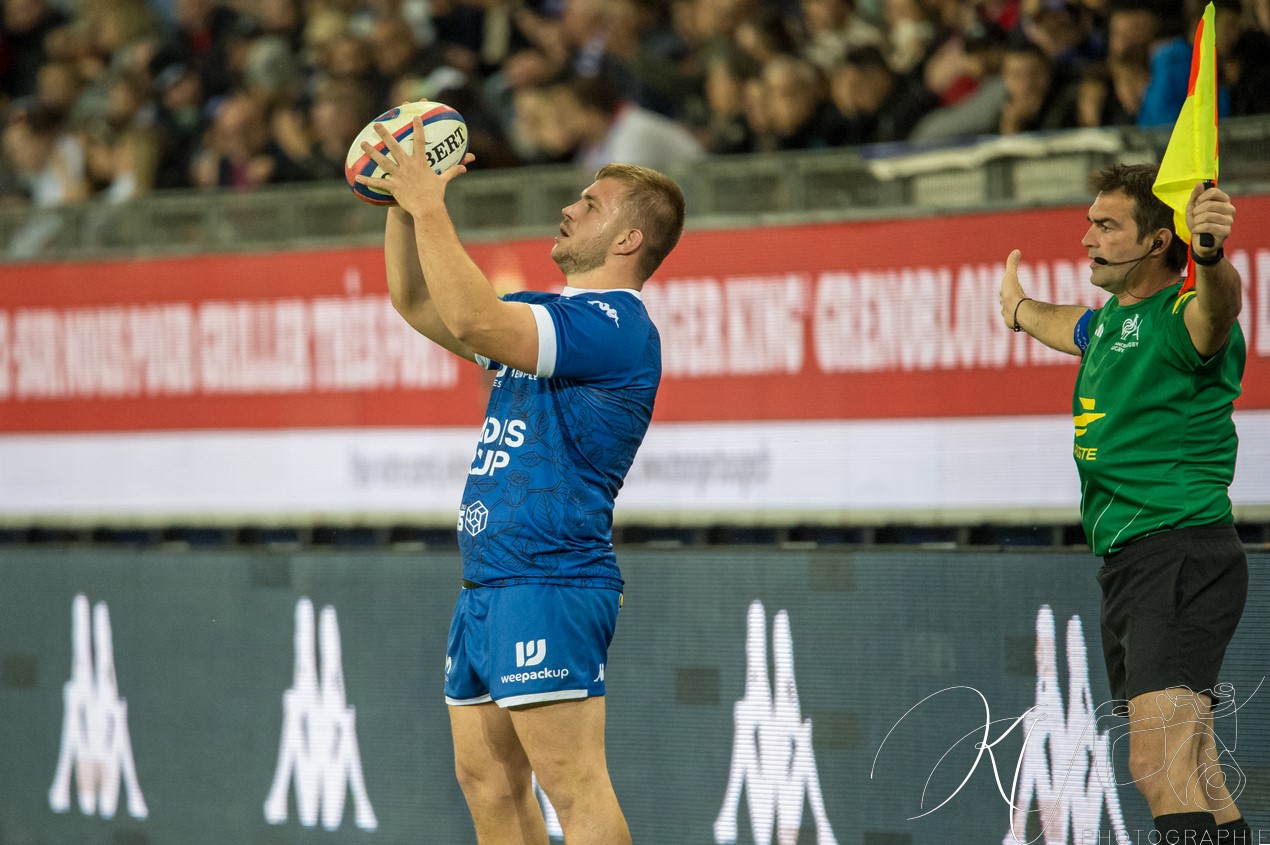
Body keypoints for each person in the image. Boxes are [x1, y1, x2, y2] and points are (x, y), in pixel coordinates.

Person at [355, 118, 685, 845]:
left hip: (552, 578)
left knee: (574, 786)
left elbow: (472, 318)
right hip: (490, 584)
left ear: (629, 240)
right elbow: (417, 304)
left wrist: (431, 203)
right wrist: (402, 208)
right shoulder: (554, 312)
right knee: (489, 785)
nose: (570, 208)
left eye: (591, 205)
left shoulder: (616, 323)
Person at [998, 163, 1251, 845]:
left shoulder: (1184, 317)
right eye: (1090, 223)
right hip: (1142, 561)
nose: (1087, 238)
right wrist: (1019, 310)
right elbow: (1069, 327)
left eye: (1107, 226)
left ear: (1157, 242)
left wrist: (1208, 255)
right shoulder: (1113, 322)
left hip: (1178, 553)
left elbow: (1219, 305)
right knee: (1197, 769)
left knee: (1156, 763)